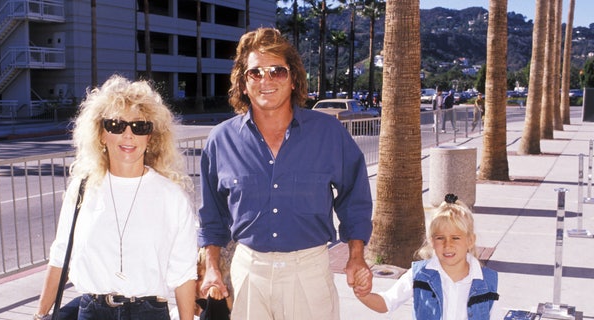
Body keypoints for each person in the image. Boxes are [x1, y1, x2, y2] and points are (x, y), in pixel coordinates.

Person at [197, 27, 373, 320]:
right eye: (256, 73)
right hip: (248, 276)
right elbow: (211, 215)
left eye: (277, 71)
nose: (266, 80)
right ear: (243, 83)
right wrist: (212, 267)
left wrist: (356, 257)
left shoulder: (328, 133)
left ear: (293, 79)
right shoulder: (220, 140)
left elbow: (354, 199)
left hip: (310, 273)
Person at [33, 74, 198, 320]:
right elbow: (60, 259)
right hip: (92, 311)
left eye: (139, 127)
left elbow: (184, 273)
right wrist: (39, 315)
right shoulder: (83, 189)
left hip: (148, 313)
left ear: (150, 137)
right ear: (101, 134)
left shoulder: (171, 196)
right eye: (116, 125)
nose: (128, 135)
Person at [353, 193, 501, 319]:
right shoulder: (419, 275)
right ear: (431, 241)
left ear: (470, 240)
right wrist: (363, 294)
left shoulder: (487, 282)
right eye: (440, 238)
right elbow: (386, 302)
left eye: (455, 238)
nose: (447, 244)